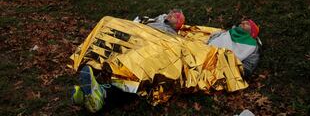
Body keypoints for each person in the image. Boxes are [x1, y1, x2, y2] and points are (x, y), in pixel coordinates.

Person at [70, 11, 261, 113]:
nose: (242, 23)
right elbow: (199, 41)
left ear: (252, 32)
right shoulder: (221, 33)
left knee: (148, 70)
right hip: (193, 53)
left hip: (206, 64)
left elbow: (245, 70)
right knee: (141, 61)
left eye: (247, 24)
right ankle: (95, 90)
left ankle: (102, 95)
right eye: (243, 21)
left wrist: (223, 63)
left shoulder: (252, 48)